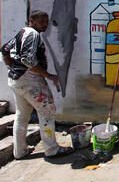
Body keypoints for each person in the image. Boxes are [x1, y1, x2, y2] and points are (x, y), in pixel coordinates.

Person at [1, 10, 74, 160]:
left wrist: (11, 69)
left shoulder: (21, 33)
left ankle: (20, 151)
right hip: (31, 82)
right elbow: (27, 59)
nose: (45, 25)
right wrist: (48, 75)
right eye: (41, 22)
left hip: (16, 81)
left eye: (46, 22)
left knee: (22, 116)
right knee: (46, 112)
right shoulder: (32, 34)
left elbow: (4, 50)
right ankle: (52, 149)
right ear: (31, 21)